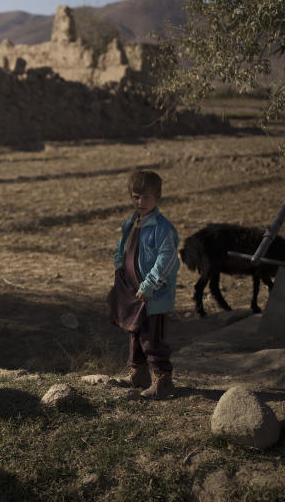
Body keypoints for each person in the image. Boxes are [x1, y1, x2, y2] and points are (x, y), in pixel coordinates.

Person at [112, 170, 180, 399]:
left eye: (147, 198)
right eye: (136, 197)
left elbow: (168, 260)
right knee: (135, 333)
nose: (140, 202)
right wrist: (119, 266)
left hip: (153, 296)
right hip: (133, 291)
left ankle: (162, 380)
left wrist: (150, 284)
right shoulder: (131, 222)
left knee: (152, 337)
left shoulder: (163, 229)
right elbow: (123, 246)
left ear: (158, 197)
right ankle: (138, 375)